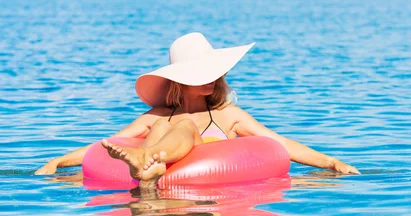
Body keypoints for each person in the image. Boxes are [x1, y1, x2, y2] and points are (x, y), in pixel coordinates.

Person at [35, 32, 360, 185]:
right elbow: (107, 146)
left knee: (184, 128)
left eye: (214, 74)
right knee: (164, 126)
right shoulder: (156, 116)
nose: (211, 80)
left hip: (204, 186)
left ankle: (148, 161)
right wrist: (58, 161)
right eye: (199, 75)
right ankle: (145, 163)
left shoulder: (227, 116)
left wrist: (330, 161)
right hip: (156, 182)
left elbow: (279, 144)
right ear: (178, 81)